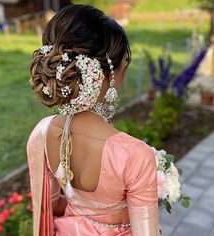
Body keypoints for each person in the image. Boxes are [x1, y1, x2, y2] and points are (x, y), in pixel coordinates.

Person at [27, 4, 160, 236]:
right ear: (111, 73)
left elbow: (48, 208)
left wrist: (80, 208)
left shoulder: (42, 133)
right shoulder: (134, 155)